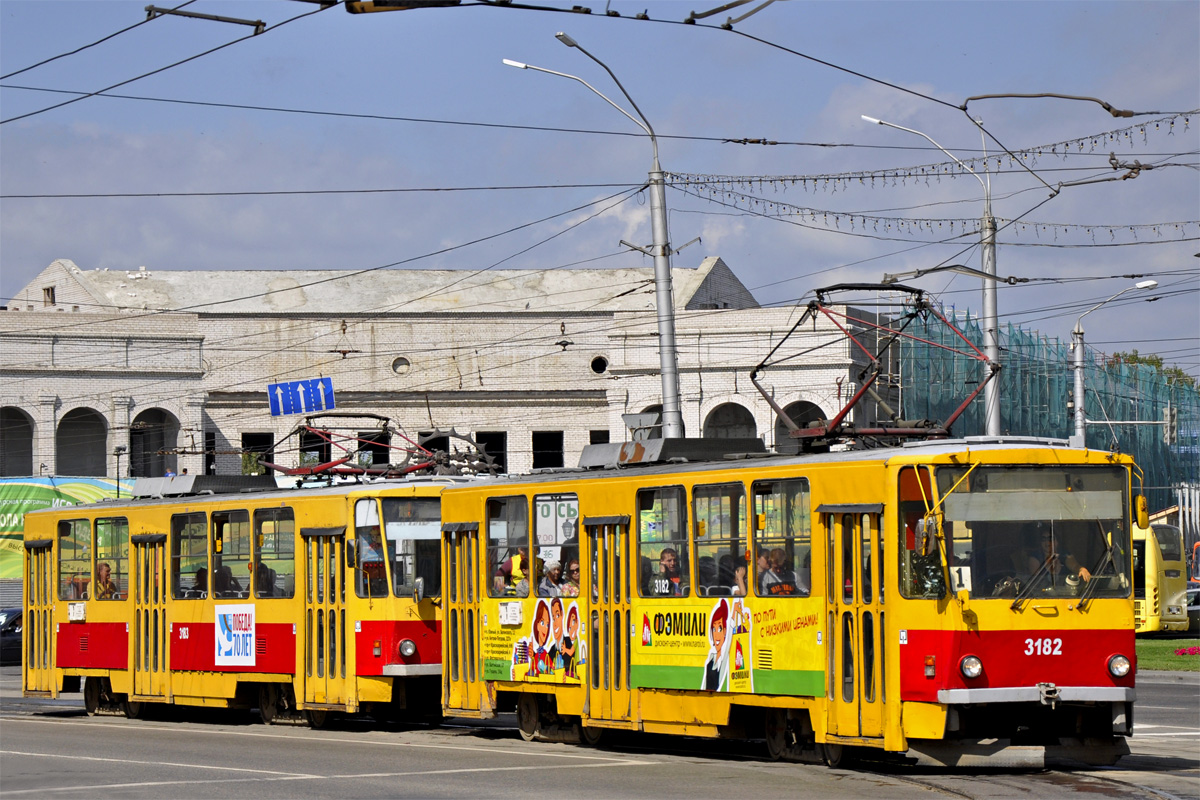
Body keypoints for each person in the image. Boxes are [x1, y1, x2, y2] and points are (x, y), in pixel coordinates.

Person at [701, 599, 731, 691]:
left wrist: (733, 614)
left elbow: (729, 641)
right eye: (714, 629)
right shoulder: (711, 657)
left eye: (720, 628)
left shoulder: (724, 659)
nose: (716, 634)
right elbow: (704, 684)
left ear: (725, 631)